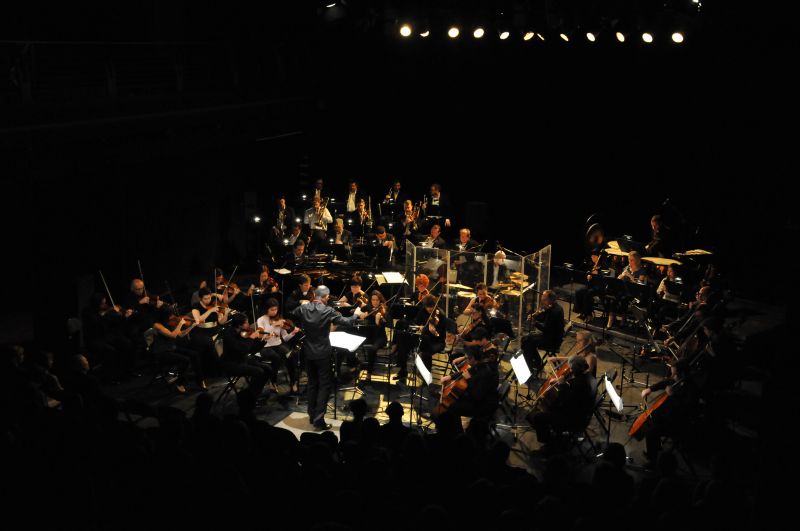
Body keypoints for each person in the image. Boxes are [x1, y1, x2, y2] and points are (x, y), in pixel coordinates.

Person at [291, 285, 366, 430]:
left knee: (312, 384)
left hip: (308, 352)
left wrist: (303, 305)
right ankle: (319, 420)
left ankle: (312, 415)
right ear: (325, 297)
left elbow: (292, 313)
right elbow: (348, 322)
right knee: (324, 386)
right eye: (327, 297)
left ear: (314, 295)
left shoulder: (304, 308)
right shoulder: (328, 311)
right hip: (323, 354)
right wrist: (356, 314)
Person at [526, 355, 597, 447]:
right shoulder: (591, 378)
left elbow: (565, 402)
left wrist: (561, 385)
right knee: (550, 406)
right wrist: (561, 383)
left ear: (575, 369)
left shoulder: (578, 384)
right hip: (583, 415)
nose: (570, 371)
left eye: (571, 369)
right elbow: (574, 395)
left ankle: (550, 443)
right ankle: (555, 433)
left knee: (538, 417)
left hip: (573, 420)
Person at [221, 314, 272, 400]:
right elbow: (242, 349)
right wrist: (251, 338)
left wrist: (264, 341)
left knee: (268, 368)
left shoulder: (243, 333)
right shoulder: (229, 334)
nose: (249, 324)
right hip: (231, 363)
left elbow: (252, 350)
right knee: (259, 372)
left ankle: (254, 392)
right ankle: (251, 396)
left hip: (242, 359)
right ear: (239, 325)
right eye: (246, 323)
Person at [256, 298, 302, 393]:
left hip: (278, 345)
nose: (274, 312)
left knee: (291, 355)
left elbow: (285, 338)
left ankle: (293, 381)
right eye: (272, 310)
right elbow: (261, 336)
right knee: (276, 358)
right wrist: (274, 325)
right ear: (267, 309)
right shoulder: (261, 320)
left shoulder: (280, 319)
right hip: (266, 346)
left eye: (276, 309)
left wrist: (293, 332)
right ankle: (273, 382)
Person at [521, 290, 565, 373]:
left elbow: (546, 329)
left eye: (544, 300)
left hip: (552, 340)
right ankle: (536, 363)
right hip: (550, 335)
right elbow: (544, 317)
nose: (542, 302)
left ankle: (532, 366)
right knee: (526, 339)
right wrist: (535, 316)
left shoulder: (555, 312)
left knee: (527, 341)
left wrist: (535, 323)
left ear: (550, 299)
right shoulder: (554, 307)